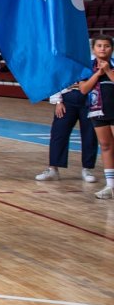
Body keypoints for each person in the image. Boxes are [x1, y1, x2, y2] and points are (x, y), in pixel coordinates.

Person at [37, 80, 99, 183]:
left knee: (90, 134)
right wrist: (58, 101)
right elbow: (57, 77)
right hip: (67, 97)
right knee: (58, 133)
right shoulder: (64, 63)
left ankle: (87, 169)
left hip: (90, 97)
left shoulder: (94, 63)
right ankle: (53, 169)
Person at [79, 35, 114, 199]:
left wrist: (107, 71)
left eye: (106, 46)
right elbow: (84, 89)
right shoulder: (86, 69)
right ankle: (110, 186)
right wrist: (98, 74)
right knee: (106, 146)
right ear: (93, 49)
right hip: (97, 112)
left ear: (111, 49)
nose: (102, 48)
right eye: (99, 45)